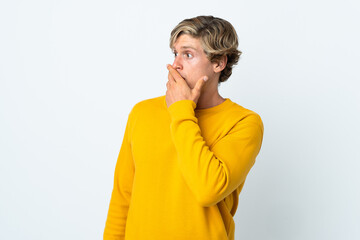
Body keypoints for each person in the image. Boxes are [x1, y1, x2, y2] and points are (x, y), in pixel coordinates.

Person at [103, 15, 264, 240]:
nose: (175, 64)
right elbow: (122, 198)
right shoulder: (142, 112)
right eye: (175, 53)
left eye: (188, 54)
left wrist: (181, 111)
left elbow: (207, 190)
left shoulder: (243, 122)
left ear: (219, 63)